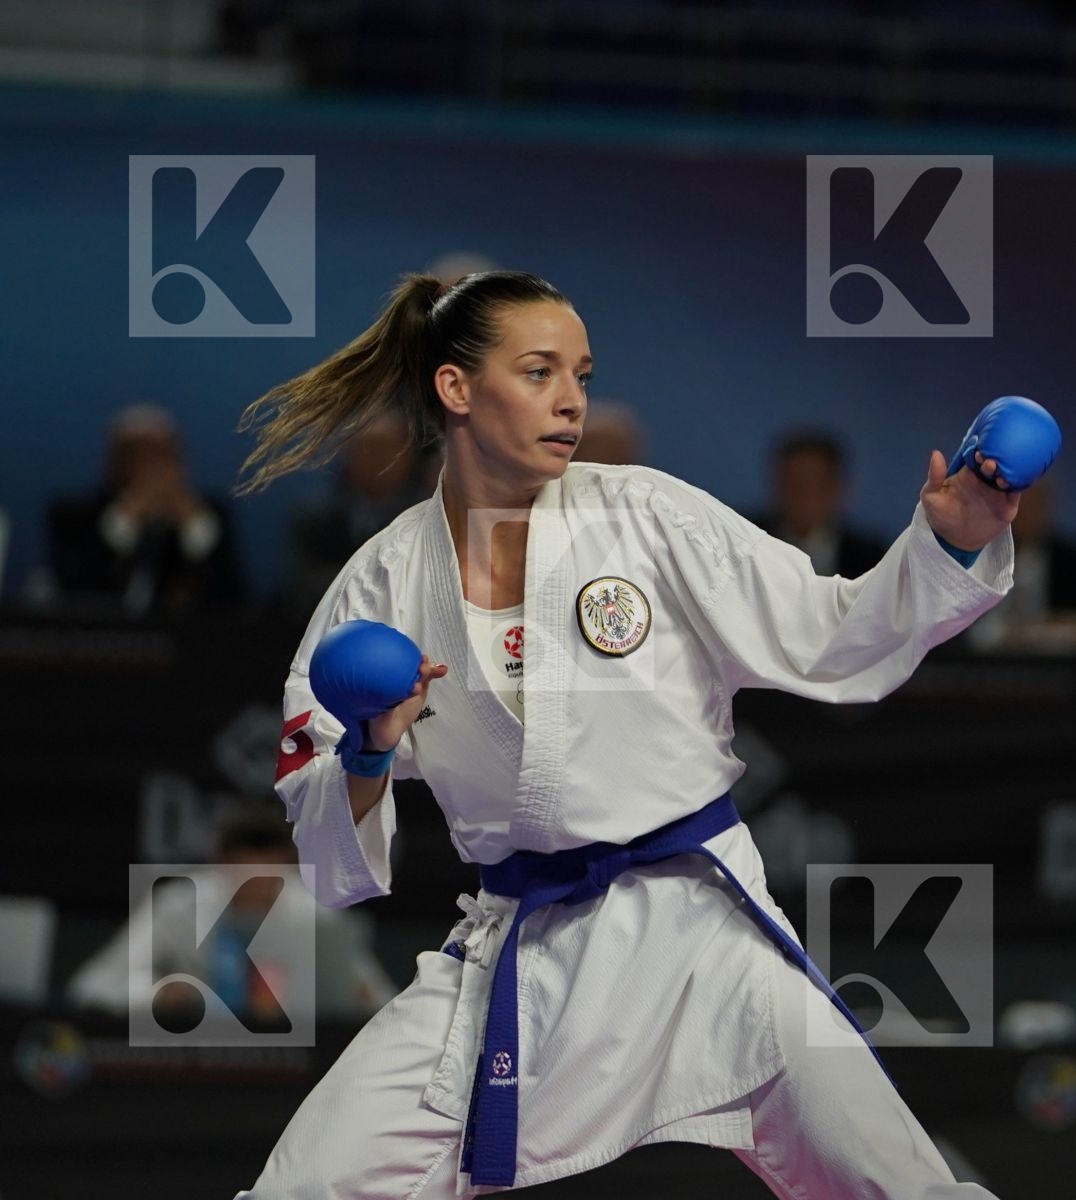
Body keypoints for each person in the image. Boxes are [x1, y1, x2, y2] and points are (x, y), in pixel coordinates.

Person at [229, 270, 1019, 1197]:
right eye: (538, 371)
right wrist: (368, 747)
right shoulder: (380, 586)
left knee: (904, 1184)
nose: (571, 400)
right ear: (456, 389)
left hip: (705, 938)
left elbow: (833, 634)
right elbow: (327, 858)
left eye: (582, 374)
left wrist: (950, 544)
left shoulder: (646, 515)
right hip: (519, 956)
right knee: (304, 1188)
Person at [66, 800, 396, 1023]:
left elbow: (384, 1001)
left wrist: (357, 996)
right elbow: (91, 986)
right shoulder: (178, 906)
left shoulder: (317, 915)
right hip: (200, 1056)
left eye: (269, 876)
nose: (256, 887)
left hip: (296, 1061)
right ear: (219, 863)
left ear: (289, 866)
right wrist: (158, 994)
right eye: (243, 872)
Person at [46, 403, 244, 614]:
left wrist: (193, 524)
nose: (150, 466)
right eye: (136, 454)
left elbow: (231, 596)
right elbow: (74, 588)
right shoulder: (73, 515)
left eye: (161, 454)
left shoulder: (211, 514)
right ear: (113, 463)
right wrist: (125, 518)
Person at [281, 411, 424, 620]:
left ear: (407, 456)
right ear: (348, 456)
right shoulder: (312, 519)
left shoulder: (426, 519)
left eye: (387, 449)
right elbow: (298, 588)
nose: (378, 460)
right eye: (368, 450)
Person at [963, 478, 1076, 653]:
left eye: (1034, 503)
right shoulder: (974, 557)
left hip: (1063, 671)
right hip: (985, 672)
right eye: (1016, 503)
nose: (1024, 513)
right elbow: (949, 628)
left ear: (1048, 506)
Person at [753, 430, 887, 578]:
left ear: (839, 488)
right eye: (795, 484)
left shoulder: (871, 560)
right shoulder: (747, 546)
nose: (804, 496)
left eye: (814, 484)